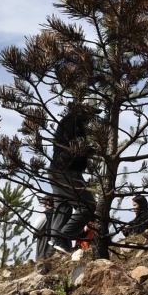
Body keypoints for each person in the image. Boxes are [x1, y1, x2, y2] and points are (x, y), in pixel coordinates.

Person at [47, 102, 94, 252]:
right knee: (88, 205)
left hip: (56, 170)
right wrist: (88, 151)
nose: (92, 116)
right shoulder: (74, 122)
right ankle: (63, 237)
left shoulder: (70, 122)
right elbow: (73, 145)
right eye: (90, 111)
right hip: (67, 170)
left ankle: (56, 246)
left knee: (63, 206)